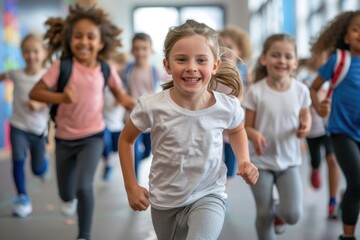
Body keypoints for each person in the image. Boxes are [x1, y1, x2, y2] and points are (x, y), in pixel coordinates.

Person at [118, 19, 259, 240]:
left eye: (201, 60)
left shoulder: (226, 105)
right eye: (181, 59)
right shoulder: (153, 106)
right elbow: (126, 140)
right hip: (165, 200)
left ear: (214, 65)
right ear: (167, 65)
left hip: (209, 194)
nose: (191, 67)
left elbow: (236, 129)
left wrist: (243, 159)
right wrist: (131, 186)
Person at [29, 5, 134, 240]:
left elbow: (121, 95)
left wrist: (137, 106)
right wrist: (61, 97)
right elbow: (35, 93)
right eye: (78, 36)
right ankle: (68, 200)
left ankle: (84, 235)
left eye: (90, 37)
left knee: (84, 186)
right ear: (69, 39)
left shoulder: (105, 69)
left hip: (93, 136)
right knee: (66, 193)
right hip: (64, 139)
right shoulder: (62, 67)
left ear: (100, 43)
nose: (84, 42)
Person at [242, 33, 312, 240]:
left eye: (288, 56)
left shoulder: (301, 90)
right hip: (260, 162)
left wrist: (305, 126)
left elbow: (305, 115)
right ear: (264, 59)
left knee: (293, 214)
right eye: (276, 55)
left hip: (289, 161)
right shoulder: (255, 92)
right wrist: (253, 134)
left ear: (295, 62)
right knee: (264, 214)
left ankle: (280, 217)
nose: (282, 60)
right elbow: (246, 127)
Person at [309, 10, 360, 240]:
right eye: (356, 29)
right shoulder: (339, 60)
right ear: (347, 36)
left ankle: (346, 200)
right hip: (342, 131)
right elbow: (313, 87)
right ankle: (348, 236)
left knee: (356, 187)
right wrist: (319, 105)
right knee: (357, 181)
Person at [0, 33, 50, 218]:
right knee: (18, 159)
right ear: (22, 53)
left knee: (38, 170)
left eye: (36, 51)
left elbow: (56, 100)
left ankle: (44, 164)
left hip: (38, 129)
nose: (31, 55)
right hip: (18, 126)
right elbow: (3, 76)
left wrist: (40, 103)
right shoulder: (16, 74)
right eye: (27, 51)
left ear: (44, 53)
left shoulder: (48, 77)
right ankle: (22, 198)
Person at [296, 54, 340, 219]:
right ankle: (315, 168)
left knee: (332, 160)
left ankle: (332, 201)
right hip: (312, 130)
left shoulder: (334, 79)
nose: (322, 60)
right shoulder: (305, 79)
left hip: (328, 128)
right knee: (316, 159)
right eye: (319, 56)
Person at [121, 32, 166, 178]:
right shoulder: (126, 70)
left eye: (144, 48)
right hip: (131, 117)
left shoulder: (155, 71)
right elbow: (115, 84)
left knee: (147, 151)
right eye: (137, 48)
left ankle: (138, 162)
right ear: (132, 51)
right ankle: (134, 183)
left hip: (150, 119)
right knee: (133, 150)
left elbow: (171, 80)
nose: (140, 52)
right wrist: (123, 98)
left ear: (151, 50)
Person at [218, 25, 253, 185]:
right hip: (217, 123)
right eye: (221, 46)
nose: (225, 50)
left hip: (234, 123)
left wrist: (236, 102)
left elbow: (247, 94)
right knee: (215, 160)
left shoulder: (243, 71)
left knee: (231, 164)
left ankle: (225, 190)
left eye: (229, 47)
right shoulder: (214, 69)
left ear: (239, 50)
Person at [101, 51, 127, 181]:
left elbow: (124, 101)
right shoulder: (101, 85)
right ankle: (108, 164)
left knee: (118, 148)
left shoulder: (121, 85)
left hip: (117, 124)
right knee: (104, 144)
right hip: (104, 122)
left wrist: (120, 100)